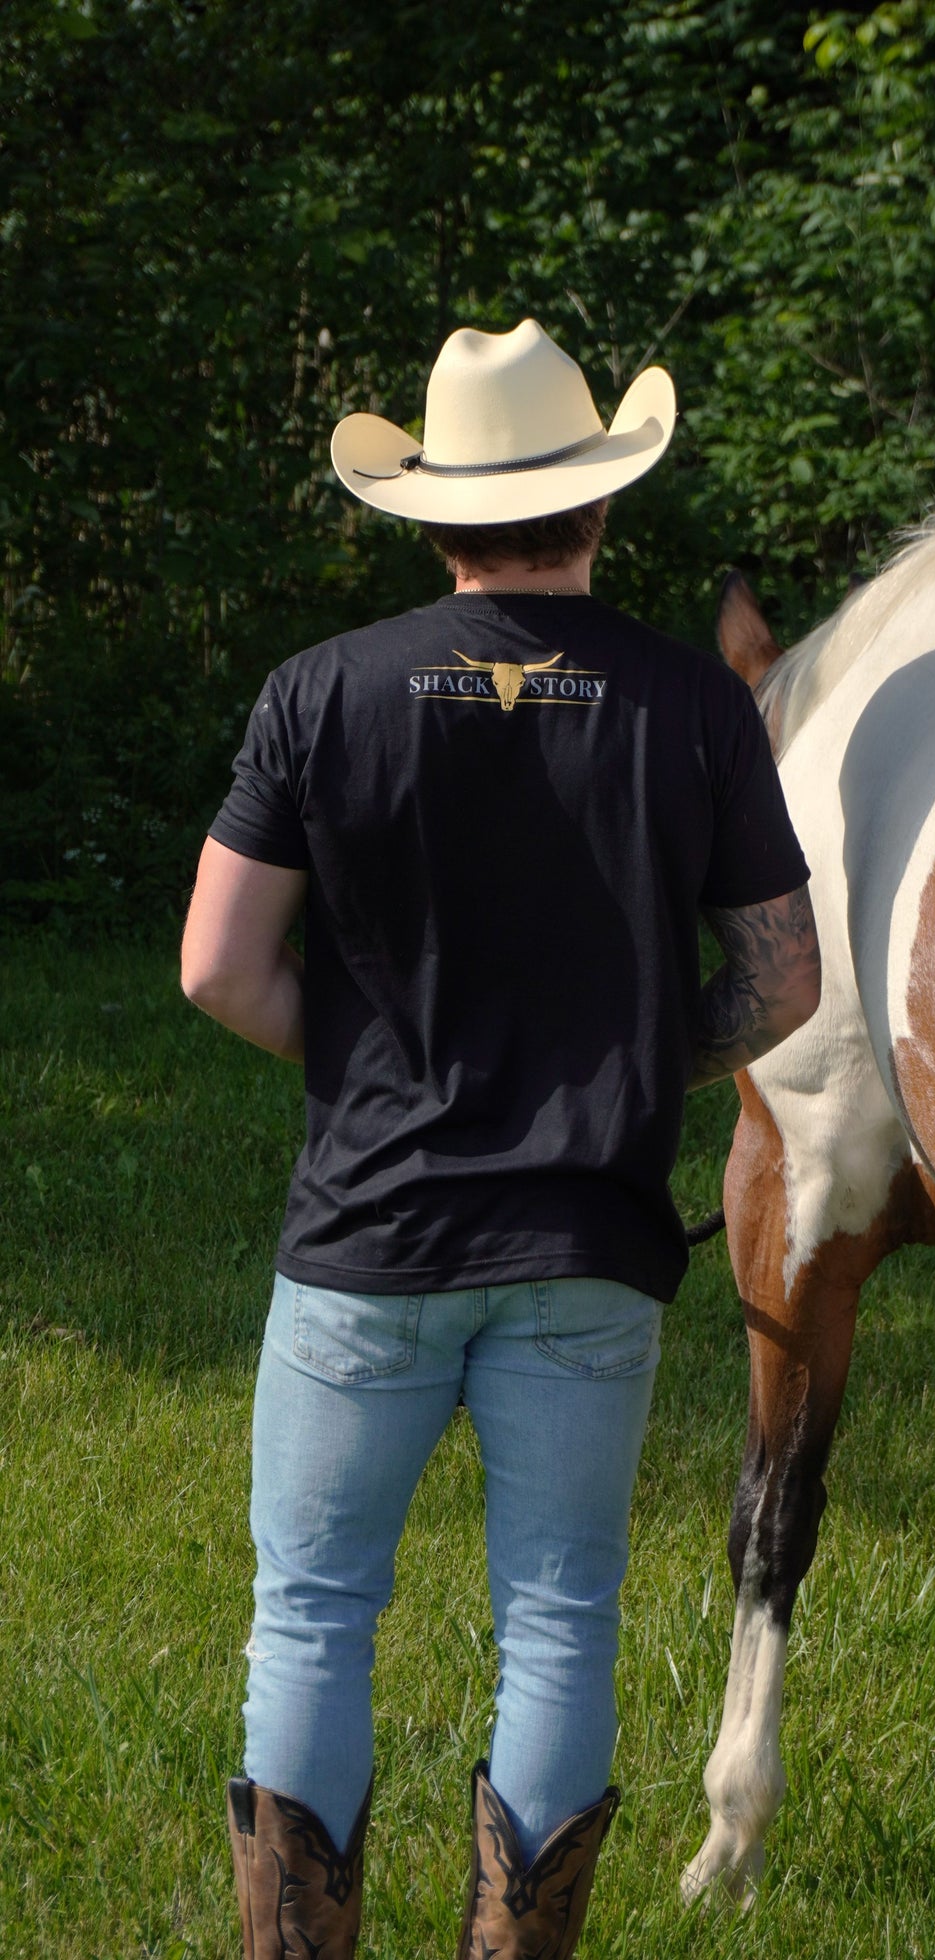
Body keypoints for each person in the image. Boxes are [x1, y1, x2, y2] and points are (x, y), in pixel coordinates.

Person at [180, 319, 820, 1960]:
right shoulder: (691, 702)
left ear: (434, 513)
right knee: (559, 1625)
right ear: (598, 505)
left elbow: (215, 964)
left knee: (314, 1616)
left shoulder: (322, 692)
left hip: (366, 1243)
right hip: (586, 1252)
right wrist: (615, 1069)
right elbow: (782, 979)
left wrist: (379, 1065)